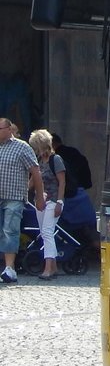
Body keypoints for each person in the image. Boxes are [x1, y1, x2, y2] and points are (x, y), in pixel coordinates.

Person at [0, 118, 45, 283]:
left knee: (10, 231)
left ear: (9, 129)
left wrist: (39, 197)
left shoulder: (21, 147)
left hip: (14, 197)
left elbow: (36, 172)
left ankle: (10, 268)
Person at [27, 129, 65, 280]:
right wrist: (23, 192)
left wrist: (60, 203)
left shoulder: (56, 160)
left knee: (48, 232)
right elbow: (33, 180)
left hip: (54, 200)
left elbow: (62, 182)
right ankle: (53, 266)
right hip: (40, 201)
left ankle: (48, 268)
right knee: (44, 233)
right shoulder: (38, 160)